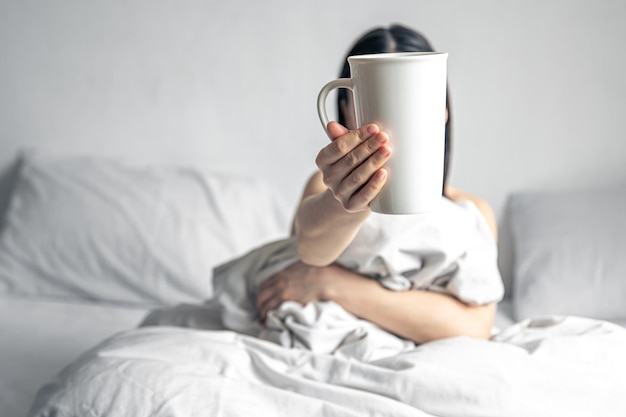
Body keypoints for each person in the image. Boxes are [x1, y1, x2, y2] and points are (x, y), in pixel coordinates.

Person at [256, 24, 501, 345]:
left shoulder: (472, 213)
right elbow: (310, 250)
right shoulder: (326, 190)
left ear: (441, 111)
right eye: (375, 102)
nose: (392, 121)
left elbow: (473, 327)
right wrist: (350, 198)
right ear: (345, 108)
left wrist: (330, 283)